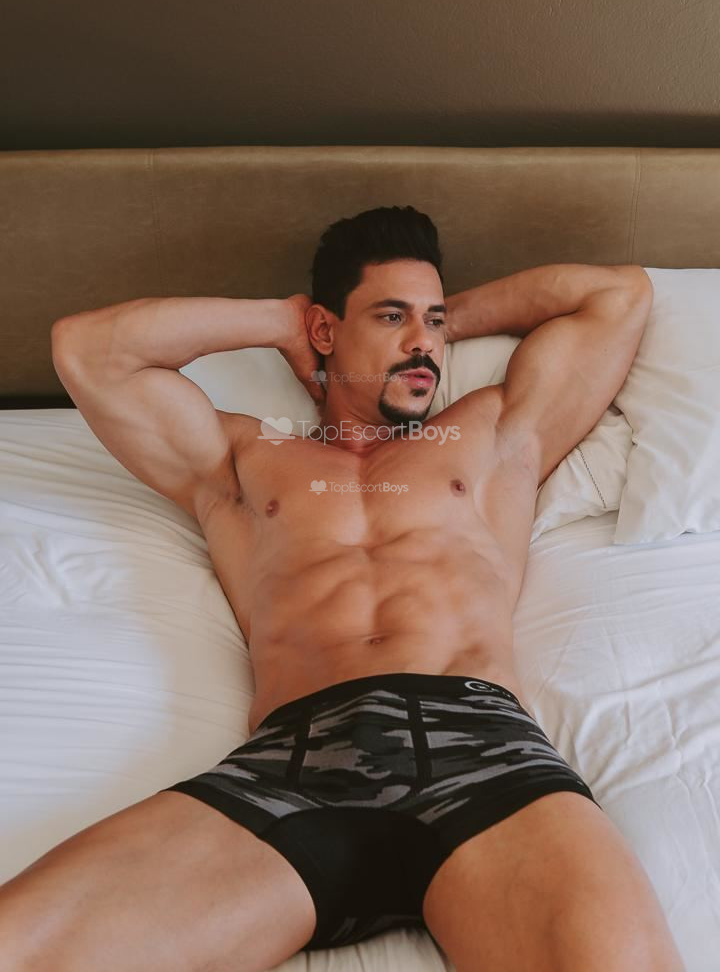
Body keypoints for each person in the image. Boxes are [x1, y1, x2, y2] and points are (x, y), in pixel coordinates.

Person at [0, 207, 684, 971]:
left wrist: (440, 323)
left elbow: (617, 296)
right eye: (391, 316)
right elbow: (87, 348)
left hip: (482, 753)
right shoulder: (247, 458)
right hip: (293, 767)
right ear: (327, 330)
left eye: (432, 320)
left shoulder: (493, 435)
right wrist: (282, 323)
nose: (423, 342)